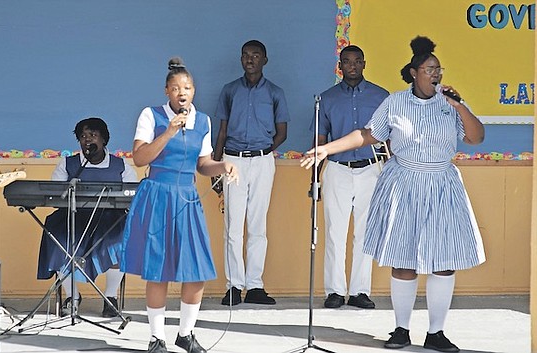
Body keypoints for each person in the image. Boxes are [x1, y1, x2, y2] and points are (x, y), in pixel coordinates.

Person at [301, 36, 485, 352]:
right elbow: (367, 134)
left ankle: (436, 333)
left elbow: (476, 137)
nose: (436, 74)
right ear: (414, 72)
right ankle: (401, 329)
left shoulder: (449, 104)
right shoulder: (395, 102)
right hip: (403, 183)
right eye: (430, 69)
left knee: (443, 261)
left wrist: (459, 104)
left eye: (438, 69)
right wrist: (325, 149)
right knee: (404, 260)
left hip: (441, 184)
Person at [121, 57, 238, 353]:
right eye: (175, 88)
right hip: (158, 195)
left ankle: (185, 334)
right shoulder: (152, 116)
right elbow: (140, 158)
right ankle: (156, 338)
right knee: (158, 270)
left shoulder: (204, 121)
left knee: (195, 271)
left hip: (187, 197)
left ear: (194, 90)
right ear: (166, 91)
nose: (181, 92)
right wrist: (170, 131)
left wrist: (223, 166)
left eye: (186, 87)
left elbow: (203, 164)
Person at [312, 45, 389, 309]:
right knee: (335, 231)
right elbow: (320, 141)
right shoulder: (326, 99)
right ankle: (334, 291)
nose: (352, 65)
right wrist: (315, 180)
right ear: (340, 66)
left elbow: (389, 139)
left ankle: (359, 291)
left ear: (364, 64)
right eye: (347, 61)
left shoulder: (382, 97)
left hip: (371, 169)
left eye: (357, 61)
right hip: (337, 169)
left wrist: (389, 177)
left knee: (365, 233)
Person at [37, 117, 139, 318]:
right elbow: (56, 194)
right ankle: (72, 298)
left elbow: (132, 196)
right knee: (59, 239)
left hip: (110, 220)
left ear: (104, 139)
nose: (87, 140)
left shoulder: (121, 166)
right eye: (83, 136)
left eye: (93, 135)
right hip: (73, 219)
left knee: (118, 241)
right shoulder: (68, 164)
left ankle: (110, 298)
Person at [213, 39, 289, 306]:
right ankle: (234, 286)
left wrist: (264, 151)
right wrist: (216, 165)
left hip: (262, 161)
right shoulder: (230, 90)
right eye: (245, 55)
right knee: (233, 226)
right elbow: (221, 130)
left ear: (264, 60)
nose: (250, 59)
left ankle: (255, 286)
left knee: (258, 225)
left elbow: (282, 132)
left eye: (255, 55)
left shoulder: (275, 93)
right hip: (232, 160)